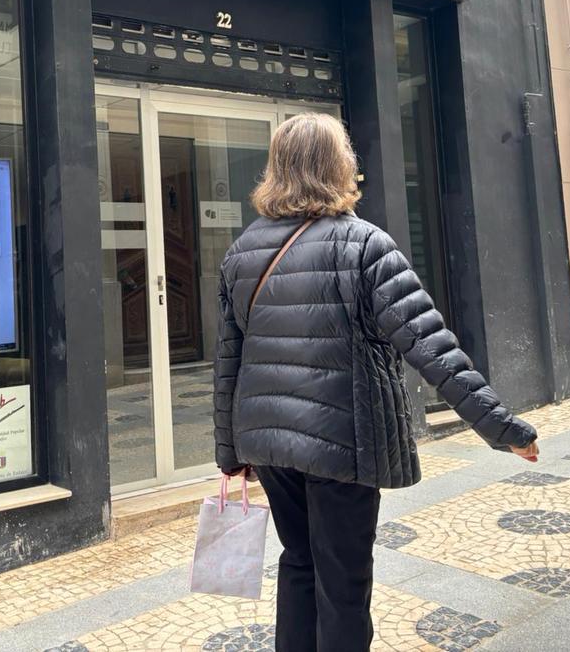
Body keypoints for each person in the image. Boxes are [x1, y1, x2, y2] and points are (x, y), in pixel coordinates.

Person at [213, 112, 539, 652]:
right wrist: (500, 426)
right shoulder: (364, 245)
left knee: (299, 563)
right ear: (338, 165)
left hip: (268, 441)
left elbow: (228, 360)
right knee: (342, 584)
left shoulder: (242, 252)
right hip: (344, 441)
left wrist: (231, 452)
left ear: (278, 169)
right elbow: (432, 347)